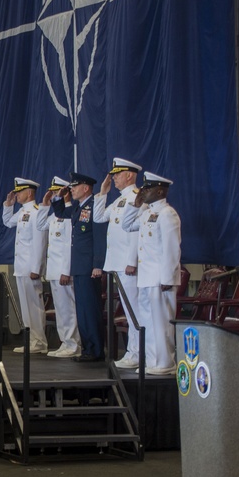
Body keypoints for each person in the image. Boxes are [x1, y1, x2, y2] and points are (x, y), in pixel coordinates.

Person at [120, 172, 181, 376]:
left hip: (160, 278)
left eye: (148, 189)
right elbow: (127, 225)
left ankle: (166, 362)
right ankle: (152, 360)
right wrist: (135, 205)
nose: (143, 192)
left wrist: (168, 278)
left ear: (160, 191)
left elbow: (172, 249)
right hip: (146, 278)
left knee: (161, 321)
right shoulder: (146, 213)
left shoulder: (167, 213)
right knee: (147, 321)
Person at [50, 172, 107, 362]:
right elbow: (60, 213)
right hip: (79, 266)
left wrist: (98, 264)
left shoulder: (93, 206)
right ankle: (88, 349)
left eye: (75, 186)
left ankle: (96, 350)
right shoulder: (77, 207)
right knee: (82, 311)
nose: (71, 189)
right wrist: (59, 196)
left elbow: (99, 238)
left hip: (89, 267)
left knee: (91, 310)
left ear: (86, 188)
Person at [95, 158, 142, 369]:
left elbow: (136, 233)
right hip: (117, 264)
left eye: (117, 174)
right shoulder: (119, 200)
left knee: (134, 311)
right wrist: (102, 193)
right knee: (129, 309)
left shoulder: (136, 198)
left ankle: (137, 353)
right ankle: (134, 352)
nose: (113, 178)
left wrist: (131, 261)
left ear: (129, 175)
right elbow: (98, 217)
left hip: (127, 265)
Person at [2, 177, 48, 354]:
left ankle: (40, 341)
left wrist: (36, 268)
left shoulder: (37, 212)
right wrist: (8, 204)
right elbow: (7, 222)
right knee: (26, 306)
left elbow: (39, 243)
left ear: (29, 193)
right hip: (21, 266)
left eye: (20, 192)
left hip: (30, 267)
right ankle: (31, 340)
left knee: (34, 306)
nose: (17, 194)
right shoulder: (22, 212)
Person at [36, 176, 81, 358]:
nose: (55, 195)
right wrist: (45, 204)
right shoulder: (56, 214)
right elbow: (40, 225)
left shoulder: (70, 214)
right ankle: (65, 342)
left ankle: (73, 344)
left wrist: (66, 270)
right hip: (53, 270)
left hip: (63, 270)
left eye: (58, 192)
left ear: (66, 193)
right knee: (61, 309)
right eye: (53, 192)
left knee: (68, 309)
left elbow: (69, 245)